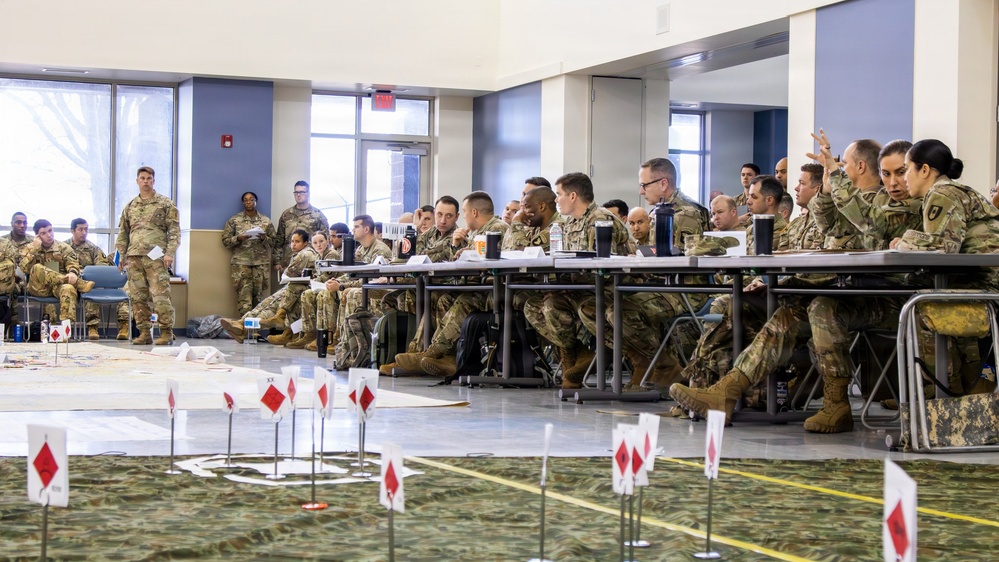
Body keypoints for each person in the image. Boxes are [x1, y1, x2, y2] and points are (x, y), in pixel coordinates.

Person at [577, 159, 710, 390]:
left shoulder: (685, 213)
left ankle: (660, 365)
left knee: (619, 311)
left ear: (663, 183)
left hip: (683, 289)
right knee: (590, 308)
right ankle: (648, 360)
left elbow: (675, 260)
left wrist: (639, 261)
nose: (641, 191)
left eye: (644, 185)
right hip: (658, 285)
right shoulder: (660, 211)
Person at [522, 172, 631, 388]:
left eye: (559, 194)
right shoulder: (570, 222)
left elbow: (604, 267)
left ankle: (607, 354)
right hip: (584, 287)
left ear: (572, 196)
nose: (555, 199)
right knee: (536, 306)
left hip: (609, 289)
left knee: (581, 307)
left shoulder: (600, 220)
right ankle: (575, 356)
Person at [390, 192, 511, 374]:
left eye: (463, 212)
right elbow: (411, 253)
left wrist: (458, 248)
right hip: (476, 285)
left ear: (473, 213)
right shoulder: (476, 232)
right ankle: (430, 355)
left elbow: (486, 263)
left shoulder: (495, 229)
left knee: (453, 300)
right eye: (439, 214)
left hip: (492, 288)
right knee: (437, 298)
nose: (443, 220)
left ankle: (434, 354)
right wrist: (458, 248)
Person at [115, 166, 180, 346]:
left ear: (153, 181)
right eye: (142, 178)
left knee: (160, 295)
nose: (145, 181)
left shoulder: (165, 204)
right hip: (134, 257)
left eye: (149, 178)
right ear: (137, 181)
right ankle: (144, 332)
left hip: (155, 257)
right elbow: (123, 233)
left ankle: (166, 332)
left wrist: (169, 253)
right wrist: (121, 256)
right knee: (138, 297)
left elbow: (174, 231)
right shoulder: (130, 206)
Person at [309, 215, 392, 352]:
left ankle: (348, 340)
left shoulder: (379, 250)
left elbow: (374, 279)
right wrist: (338, 281)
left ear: (366, 229)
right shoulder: (360, 249)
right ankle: (333, 336)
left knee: (350, 292)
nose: (353, 230)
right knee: (327, 291)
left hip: (379, 288)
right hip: (365, 284)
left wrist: (342, 286)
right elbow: (352, 274)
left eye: (356, 227)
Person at [220, 228, 317, 344]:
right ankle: (241, 324)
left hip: (298, 290)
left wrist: (286, 271)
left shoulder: (305, 254)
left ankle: (243, 327)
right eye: (292, 241)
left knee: (269, 310)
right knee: (264, 305)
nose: (293, 244)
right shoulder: (301, 254)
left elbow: (288, 273)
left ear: (305, 243)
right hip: (293, 287)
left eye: (297, 241)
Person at [20, 219, 95, 324]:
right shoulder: (30, 248)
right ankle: (72, 281)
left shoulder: (63, 247)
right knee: (37, 267)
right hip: (38, 287)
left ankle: (66, 328)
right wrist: (34, 250)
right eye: (43, 233)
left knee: (69, 288)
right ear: (37, 236)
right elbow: (24, 268)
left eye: (50, 230)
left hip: (57, 287)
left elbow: (73, 264)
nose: (49, 235)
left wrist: (72, 273)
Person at [66, 218, 130, 340]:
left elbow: (102, 267)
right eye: (80, 229)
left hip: (87, 284)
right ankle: (61, 329)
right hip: (70, 283)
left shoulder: (93, 249)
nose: (84, 232)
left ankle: (93, 327)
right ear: (72, 231)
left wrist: (88, 273)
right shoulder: (64, 247)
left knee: (91, 288)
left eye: (86, 229)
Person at [222, 191, 276, 317]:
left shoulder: (265, 221)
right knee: (244, 295)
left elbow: (274, 241)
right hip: (241, 263)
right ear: (243, 202)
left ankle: (256, 325)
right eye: (245, 200)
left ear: (256, 202)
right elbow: (225, 241)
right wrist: (238, 238)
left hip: (260, 263)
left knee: (259, 295)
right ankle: (244, 324)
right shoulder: (234, 220)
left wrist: (264, 238)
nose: (248, 202)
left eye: (251, 199)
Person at [273, 180, 329, 270]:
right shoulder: (286, 214)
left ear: (308, 194)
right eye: (296, 192)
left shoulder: (317, 214)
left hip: (310, 261)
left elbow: (325, 240)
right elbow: (279, 240)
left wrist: (324, 260)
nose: (298, 195)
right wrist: (277, 261)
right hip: (289, 261)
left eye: (302, 192)